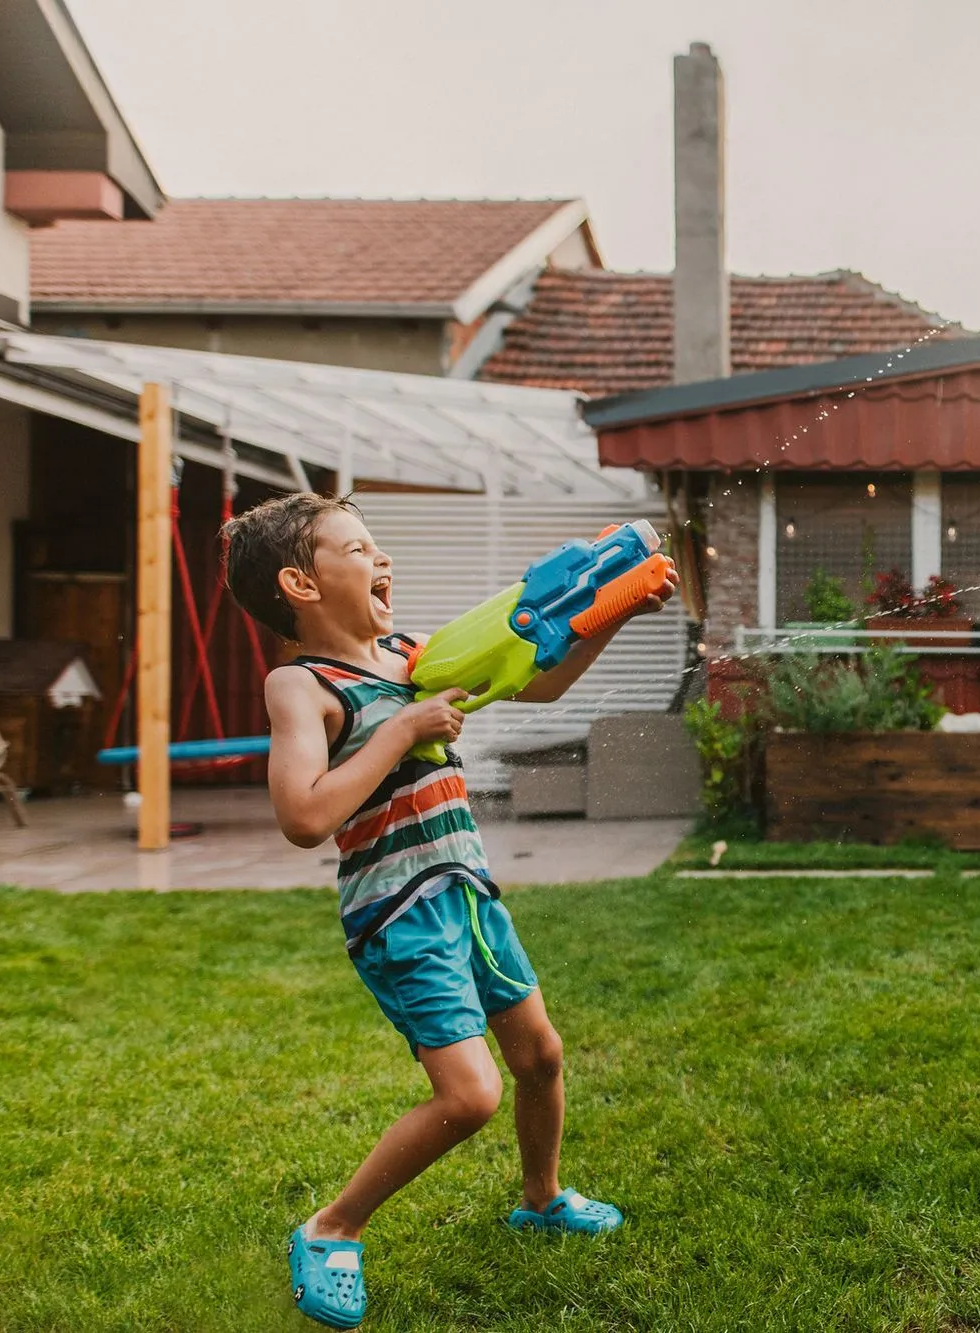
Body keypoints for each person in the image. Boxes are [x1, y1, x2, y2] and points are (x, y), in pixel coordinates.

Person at [222, 493, 678, 1330]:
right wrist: (400, 732)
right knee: (470, 1096)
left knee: (540, 1055)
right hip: (399, 913)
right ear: (301, 582)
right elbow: (303, 817)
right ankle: (332, 1226)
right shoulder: (301, 685)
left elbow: (537, 686)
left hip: (466, 891)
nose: (382, 558)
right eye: (359, 547)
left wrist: (614, 608)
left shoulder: (413, 652)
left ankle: (540, 1198)